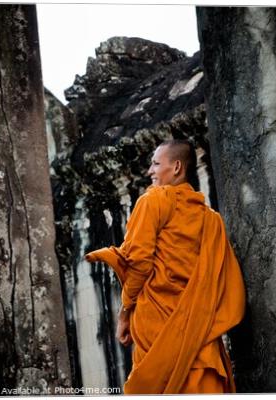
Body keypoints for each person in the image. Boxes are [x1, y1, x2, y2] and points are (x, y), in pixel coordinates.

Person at [85, 139, 246, 394]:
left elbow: (138, 263)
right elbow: (226, 286)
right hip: (200, 336)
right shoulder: (211, 221)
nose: (150, 171)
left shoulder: (154, 201)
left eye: (155, 163)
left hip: (158, 332)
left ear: (177, 167)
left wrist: (125, 313)